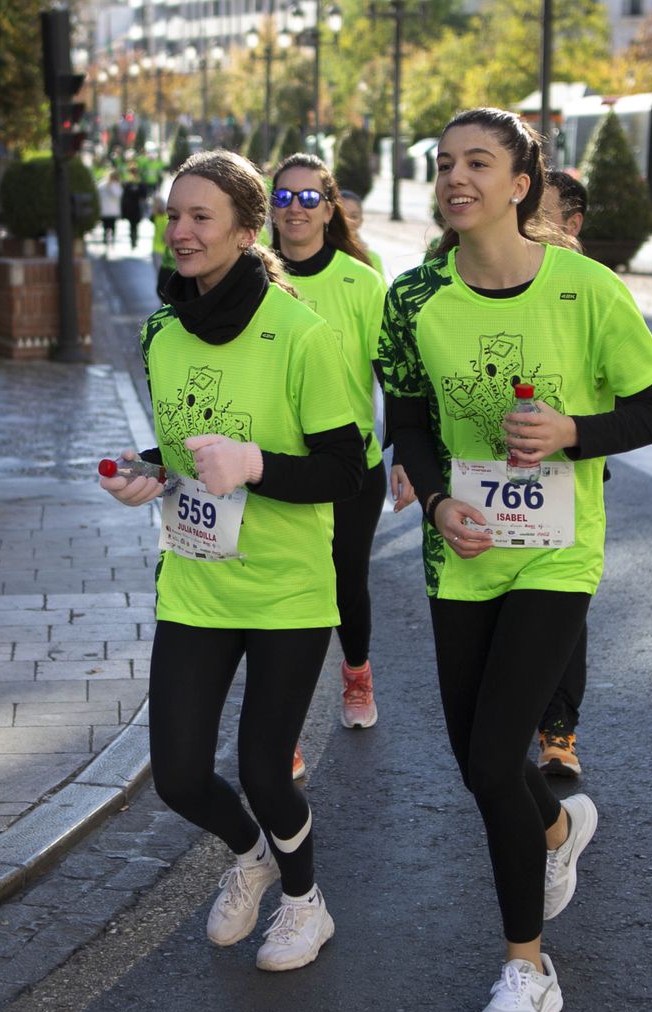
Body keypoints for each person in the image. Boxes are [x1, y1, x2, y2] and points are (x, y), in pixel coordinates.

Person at [379, 108, 652, 1012]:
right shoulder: (413, 298)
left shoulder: (587, 290)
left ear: (520, 184)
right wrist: (435, 502)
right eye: (444, 163)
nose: (455, 178)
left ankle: (527, 970)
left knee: (491, 755)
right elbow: (408, 421)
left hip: (556, 552)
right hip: (461, 554)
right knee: (486, 763)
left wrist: (572, 431)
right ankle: (556, 827)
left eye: (478, 162)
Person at [99, 149, 363, 972]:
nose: (180, 231)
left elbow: (345, 469)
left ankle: (304, 902)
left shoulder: (301, 335)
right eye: (172, 215)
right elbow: (184, 450)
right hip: (196, 581)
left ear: (248, 232)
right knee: (178, 776)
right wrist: (146, 471)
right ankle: (251, 857)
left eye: (200, 217)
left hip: (285, 589)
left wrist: (254, 465)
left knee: (265, 770)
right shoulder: (161, 332)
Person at [267, 153, 391, 783]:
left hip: (350, 469)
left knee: (345, 585)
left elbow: (393, 373)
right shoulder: (251, 276)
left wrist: (409, 455)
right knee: (284, 594)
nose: (296, 208)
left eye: (309, 197)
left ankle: (357, 672)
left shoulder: (361, 282)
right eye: (283, 197)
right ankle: (284, 725)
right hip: (275, 469)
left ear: (329, 208)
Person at [534, 168, 590, 778]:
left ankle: (558, 731)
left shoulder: (589, 291)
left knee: (564, 612)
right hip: (478, 482)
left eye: (538, 210)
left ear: (571, 224)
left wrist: (572, 431)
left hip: (564, 480)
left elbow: (640, 404)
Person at [335, 189, 385, 277]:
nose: (348, 221)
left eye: (354, 217)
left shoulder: (372, 258)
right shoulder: (319, 253)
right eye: (342, 216)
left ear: (361, 220)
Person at [122, 160, 146, 249]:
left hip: (136, 207)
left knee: (134, 225)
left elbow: (144, 195)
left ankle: (134, 239)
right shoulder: (128, 183)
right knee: (133, 225)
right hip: (131, 207)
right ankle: (133, 239)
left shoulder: (139, 183)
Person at [99, 171, 124, 249]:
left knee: (108, 226)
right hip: (109, 211)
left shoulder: (112, 185)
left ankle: (108, 240)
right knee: (109, 226)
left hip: (108, 211)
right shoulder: (105, 185)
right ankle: (108, 240)